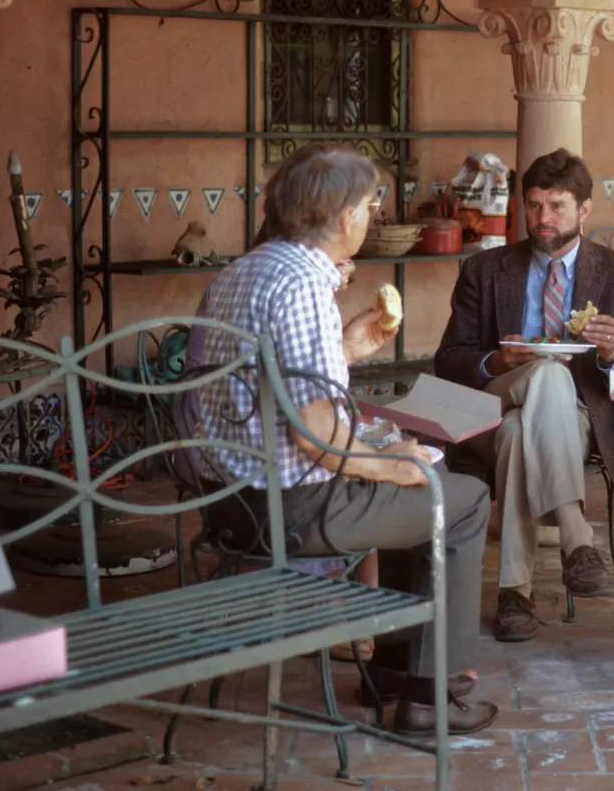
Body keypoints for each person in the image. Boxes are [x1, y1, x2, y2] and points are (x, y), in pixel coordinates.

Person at [185, 143, 499, 735]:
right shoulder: (304, 283)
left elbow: (264, 386)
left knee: (415, 498)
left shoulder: (241, 270)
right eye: (371, 203)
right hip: (291, 508)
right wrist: (389, 463)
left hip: (227, 500)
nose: (373, 215)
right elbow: (319, 442)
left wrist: (348, 348)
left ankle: (393, 672)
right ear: (347, 213)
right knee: (459, 500)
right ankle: (433, 693)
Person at [435, 148, 614, 642]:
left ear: (584, 209)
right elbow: (448, 358)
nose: (543, 218)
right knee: (543, 377)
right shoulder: (486, 269)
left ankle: (515, 594)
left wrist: (612, 353)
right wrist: (498, 360)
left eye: (557, 206)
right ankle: (576, 533)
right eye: (534, 205)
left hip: (577, 423)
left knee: (523, 428)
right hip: (493, 407)